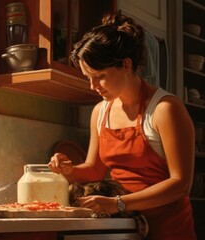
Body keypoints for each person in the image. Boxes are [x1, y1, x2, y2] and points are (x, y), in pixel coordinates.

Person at [48, 11, 197, 240]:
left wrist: (118, 203)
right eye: (88, 77)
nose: (92, 86)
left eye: (99, 76)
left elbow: (180, 184)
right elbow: (95, 169)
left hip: (169, 230)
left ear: (126, 65)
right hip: (127, 227)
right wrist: (69, 170)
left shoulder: (164, 109)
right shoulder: (100, 112)